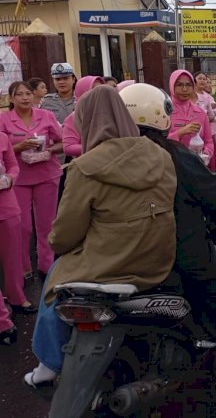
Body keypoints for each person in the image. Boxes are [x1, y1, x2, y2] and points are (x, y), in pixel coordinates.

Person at [24, 85, 177, 387]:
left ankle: (48, 361)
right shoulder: (160, 156)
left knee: (56, 275)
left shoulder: (85, 167)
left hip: (109, 267)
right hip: (158, 259)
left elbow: (64, 237)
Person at [119, 83, 216, 360]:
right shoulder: (170, 153)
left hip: (123, 249)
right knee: (211, 286)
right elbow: (210, 189)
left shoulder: (105, 154)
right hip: (174, 240)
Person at [0, 81, 63, 279]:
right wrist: (19, 147)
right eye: (19, 94)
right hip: (19, 179)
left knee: (47, 224)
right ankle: (24, 268)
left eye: (28, 93)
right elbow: (3, 149)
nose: (25, 97)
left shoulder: (46, 116)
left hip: (46, 174)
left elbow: (63, 141)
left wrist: (48, 151)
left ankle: (47, 266)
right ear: (11, 98)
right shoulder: (3, 120)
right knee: (23, 226)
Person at [0, 129, 34, 314]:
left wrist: (10, 179)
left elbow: (13, 165)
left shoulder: (3, 138)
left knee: (13, 256)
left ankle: (17, 297)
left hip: (6, 204)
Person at [167, 70, 214, 165]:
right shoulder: (165, 112)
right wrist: (180, 133)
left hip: (196, 168)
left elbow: (209, 141)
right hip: (172, 167)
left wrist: (206, 154)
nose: (185, 89)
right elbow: (158, 143)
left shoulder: (200, 113)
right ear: (172, 86)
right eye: (179, 85)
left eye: (188, 85)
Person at [61, 76, 105, 159]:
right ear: (83, 92)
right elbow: (68, 147)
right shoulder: (74, 118)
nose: (100, 93)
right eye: (94, 90)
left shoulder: (107, 112)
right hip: (88, 165)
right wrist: (97, 148)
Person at [194, 72, 216, 172]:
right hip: (193, 133)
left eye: (204, 79)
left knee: (212, 155)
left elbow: (210, 114)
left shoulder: (206, 97)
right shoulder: (191, 96)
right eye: (199, 78)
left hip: (208, 132)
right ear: (194, 81)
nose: (202, 81)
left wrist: (215, 117)